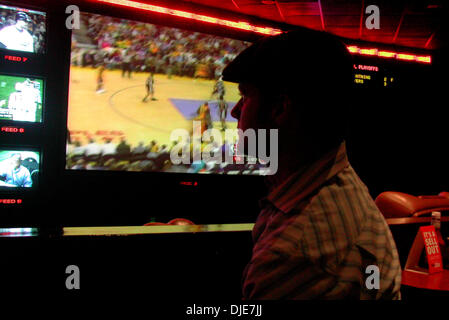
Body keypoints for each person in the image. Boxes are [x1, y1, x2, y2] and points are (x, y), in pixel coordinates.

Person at [222, 29, 401, 299]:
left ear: (280, 109)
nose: (235, 110)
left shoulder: (295, 252)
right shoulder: (335, 184)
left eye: (245, 95)